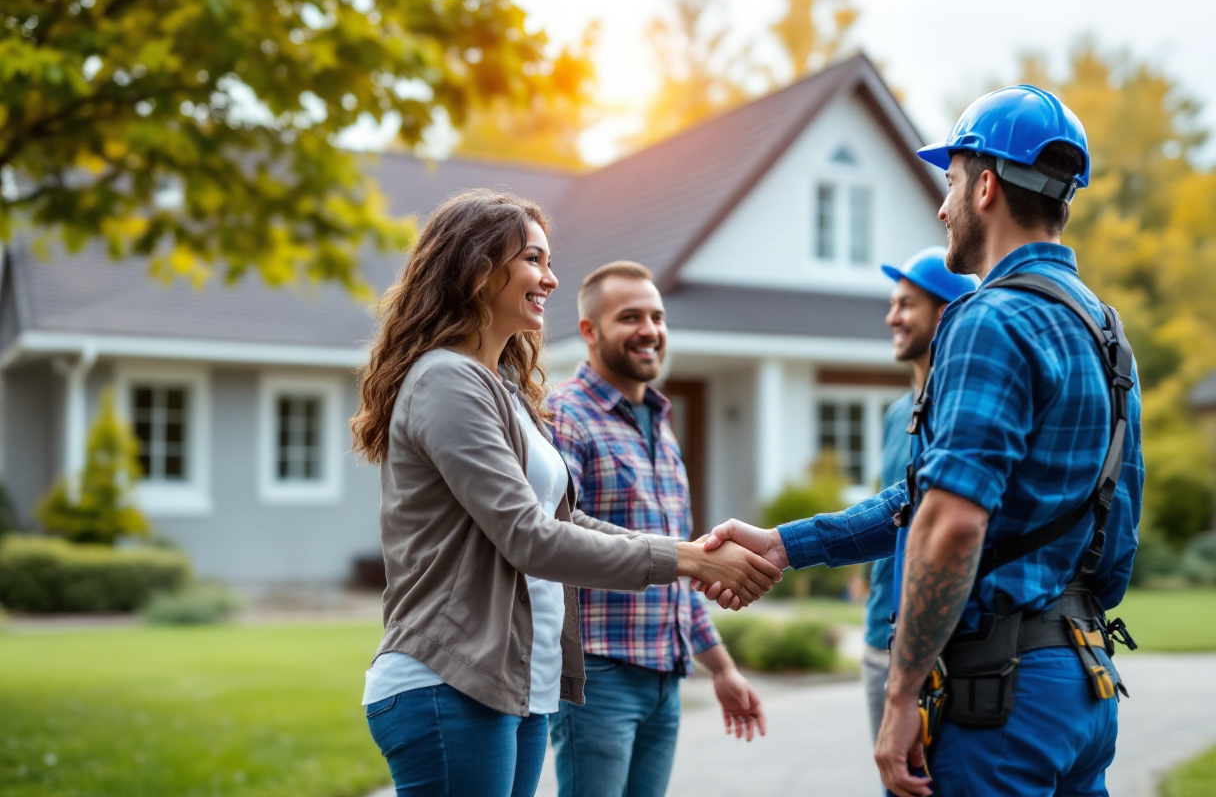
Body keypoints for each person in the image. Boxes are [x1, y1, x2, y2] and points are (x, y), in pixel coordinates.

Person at [699, 86, 1143, 797]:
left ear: (987, 185)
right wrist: (786, 544)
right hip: (1082, 686)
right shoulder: (1107, 333)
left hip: (999, 699)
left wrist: (902, 692)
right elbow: (932, 499)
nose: (943, 208)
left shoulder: (986, 319)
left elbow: (951, 523)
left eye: (950, 183)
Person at [350, 190, 782, 797]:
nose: (550, 278)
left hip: (515, 684)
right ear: (478, 266)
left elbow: (566, 517)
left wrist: (687, 555)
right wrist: (687, 560)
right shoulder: (445, 380)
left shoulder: (499, 388)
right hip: (447, 682)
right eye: (533, 259)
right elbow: (528, 538)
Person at [547, 261, 767, 797]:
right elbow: (556, 534)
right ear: (589, 331)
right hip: (598, 675)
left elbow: (681, 566)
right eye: (630, 317)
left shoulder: (661, 426)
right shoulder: (563, 416)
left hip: (665, 680)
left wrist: (721, 668)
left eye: (657, 316)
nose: (650, 330)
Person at [863, 249, 976, 746]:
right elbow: (889, 512)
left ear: (945, 313)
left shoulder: (968, 413)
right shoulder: (893, 415)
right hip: (878, 638)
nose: (892, 317)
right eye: (893, 304)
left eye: (906, 304)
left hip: (943, 643)